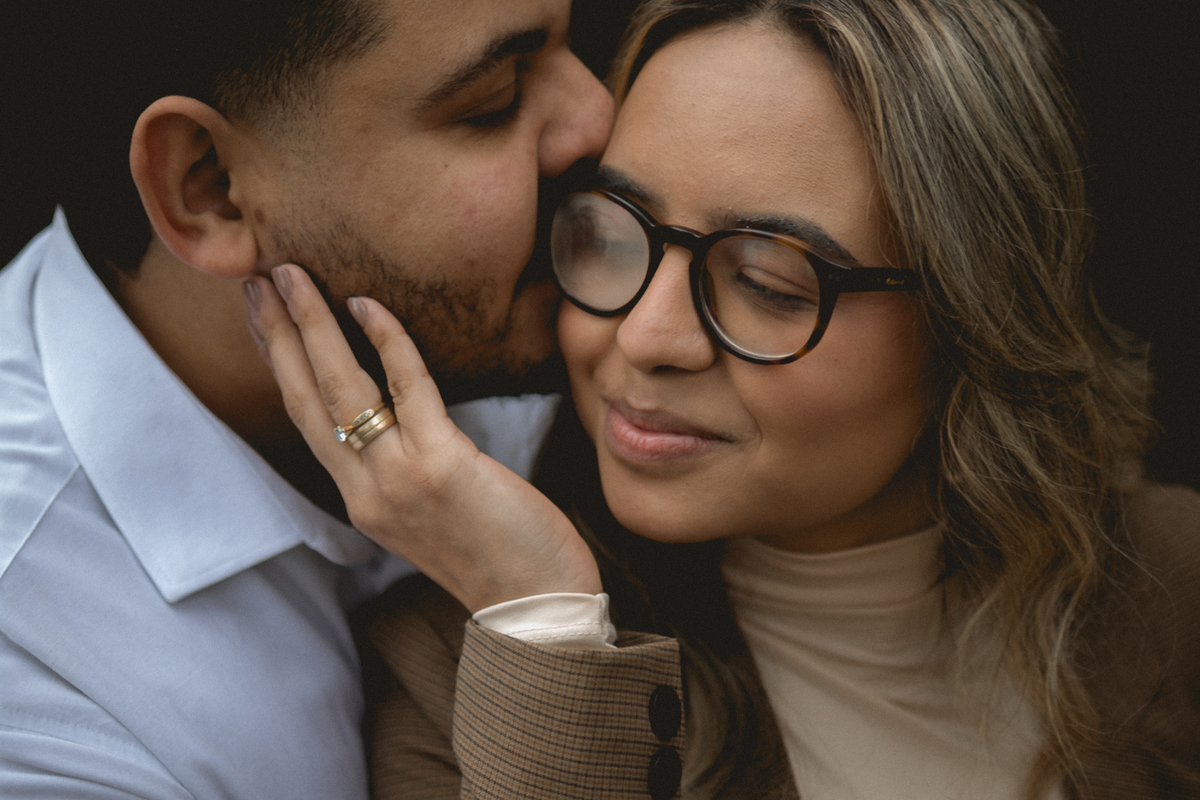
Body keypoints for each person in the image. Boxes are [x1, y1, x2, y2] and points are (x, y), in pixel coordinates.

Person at [250, 0, 1200, 798]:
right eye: (615, 234)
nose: (645, 337)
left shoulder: (1175, 594)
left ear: (974, 316)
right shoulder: (468, 669)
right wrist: (548, 637)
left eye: (768, 283)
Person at [0, 1, 626, 797]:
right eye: (494, 101)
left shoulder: (549, 332)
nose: (597, 116)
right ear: (211, 189)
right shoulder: (35, 688)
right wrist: (547, 638)